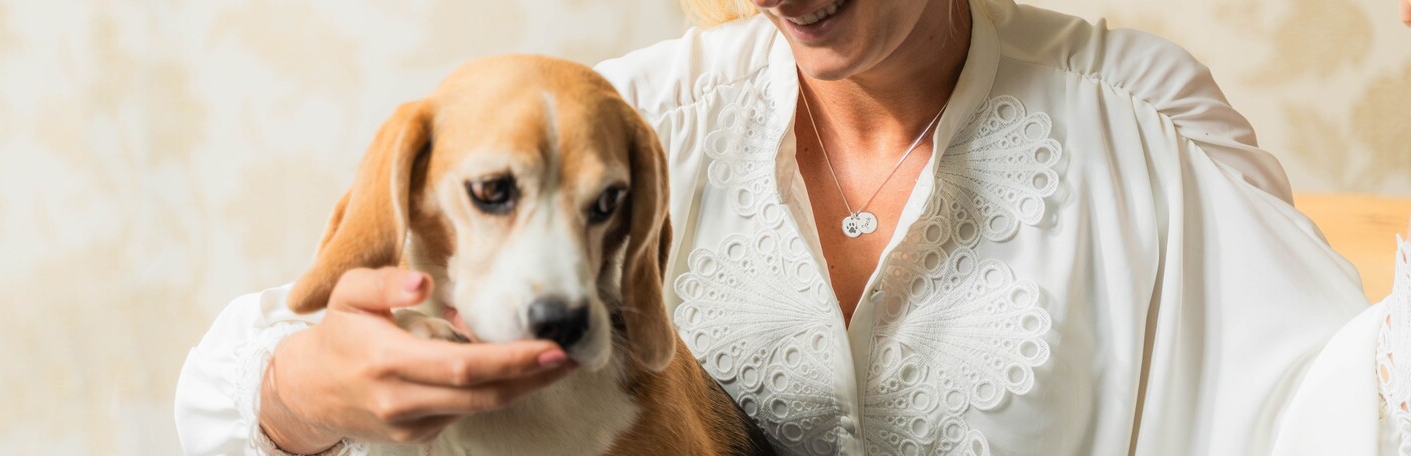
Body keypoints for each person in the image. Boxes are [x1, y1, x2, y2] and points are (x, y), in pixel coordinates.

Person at [175, 0, 1411, 454]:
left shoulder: (1138, 117)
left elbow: (1334, 409)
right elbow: (243, 382)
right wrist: (303, 397)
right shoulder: (623, 124)